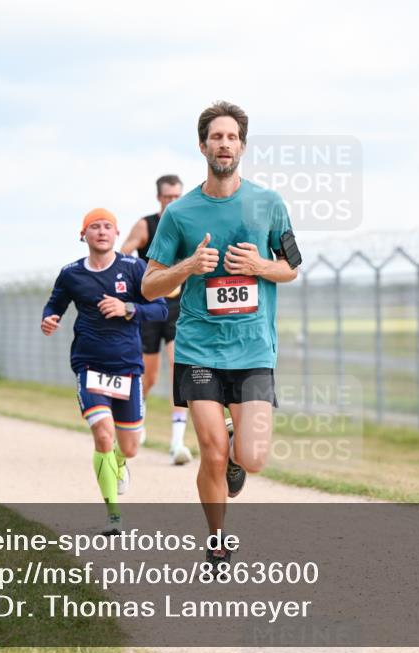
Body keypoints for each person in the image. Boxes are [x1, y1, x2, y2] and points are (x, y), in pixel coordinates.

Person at [142, 101, 302, 565]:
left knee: (250, 458)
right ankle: (216, 538)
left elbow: (291, 268)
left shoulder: (268, 204)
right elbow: (150, 284)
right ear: (202, 145)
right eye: (216, 137)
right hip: (198, 349)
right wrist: (189, 266)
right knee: (211, 452)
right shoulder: (181, 214)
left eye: (232, 137)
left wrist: (259, 266)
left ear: (243, 147)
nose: (224, 144)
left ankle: (238, 453)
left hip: (252, 349)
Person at [42, 207, 168, 535]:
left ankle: (120, 462)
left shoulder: (134, 267)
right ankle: (113, 515)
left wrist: (128, 308)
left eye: (107, 226)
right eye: (94, 227)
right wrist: (50, 318)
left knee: (129, 447)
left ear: (116, 234)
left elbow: (160, 309)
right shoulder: (71, 273)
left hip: (127, 367)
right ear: (82, 235)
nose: (101, 231)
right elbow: (55, 304)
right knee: (102, 434)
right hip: (89, 365)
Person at [121, 174, 193, 465]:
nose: (173, 202)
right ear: (159, 198)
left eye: (178, 197)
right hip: (150, 307)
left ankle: (177, 443)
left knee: (180, 371)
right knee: (148, 376)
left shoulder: (188, 225)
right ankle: (138, 416)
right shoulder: (145, 225)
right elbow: (122, 255)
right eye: (168, 197)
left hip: (179, 309)